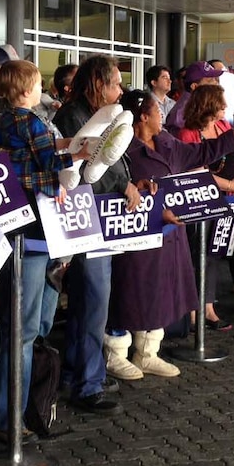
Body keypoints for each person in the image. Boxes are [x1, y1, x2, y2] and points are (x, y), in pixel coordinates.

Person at [0, 59, 96, 430]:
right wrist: (74, 160)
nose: (41, 91)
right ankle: (10, 417)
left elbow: (8, 167)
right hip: (33, 231)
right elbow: (49, 160)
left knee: (15, 323)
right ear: (24, 89)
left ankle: (5, 409)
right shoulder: (29, 120)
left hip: (10, 227)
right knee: (25, 327)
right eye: (36, 85)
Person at [106, 90, 234, 379]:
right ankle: (115, 353)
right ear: (143, 116)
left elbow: (197, 154)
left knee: (160, 291)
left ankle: (148, 352)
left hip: (169, 232)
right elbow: (111, 188)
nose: (162, 117)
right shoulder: (120, 149)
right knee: (130, 290)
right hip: (135, 234)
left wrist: (233, 135)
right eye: (157, 111)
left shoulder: (166, 140)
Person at [53, 55, 143, 410]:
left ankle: (78, 371)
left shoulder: (91, 115)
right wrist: (124, 185)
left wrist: (130, 181)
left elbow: (114, 158)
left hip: (96, 220)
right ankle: (88, 384)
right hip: (86, 222)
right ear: (98, 85)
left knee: (84, 302)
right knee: (93, 301)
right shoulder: (75, 118)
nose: (120, 90)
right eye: (115, 83)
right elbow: (94, 166)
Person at [178, 85, 234, 330]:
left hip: (226, 199)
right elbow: (195, 172)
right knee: (196, 255)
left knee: (214, 254)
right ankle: (192, 309)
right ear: (208, 105)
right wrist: (231, 184)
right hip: (199, 202)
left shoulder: (223, 127)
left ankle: (208, 306)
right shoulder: (188, 134)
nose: (225, 108)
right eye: (220, 104)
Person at [165, 61, 224, 137]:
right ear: (195, 87)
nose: (216, 83)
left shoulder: (203, 104)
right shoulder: (182, 113)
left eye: (215, 79)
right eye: (210, 81)